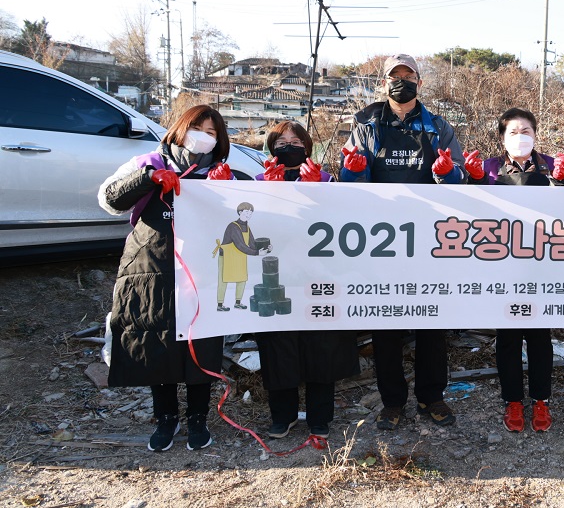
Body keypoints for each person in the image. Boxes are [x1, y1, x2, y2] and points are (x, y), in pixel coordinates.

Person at [339, 54, 467, 430]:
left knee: (432, 322)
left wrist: (446, 173)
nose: (401, 81)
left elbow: (460, 179)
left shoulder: (438, 126)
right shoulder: (366, 125)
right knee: (386, 326)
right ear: (384, 83)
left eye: (408, 75)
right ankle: (392, 402)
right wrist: (352, 172)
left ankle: (432, 396)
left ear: (419, 82)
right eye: (394, 76)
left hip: (429, 239)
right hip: (382, 242)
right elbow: (349, 186)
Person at [98, 104, 235, 452]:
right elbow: (109, 200)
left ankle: (198, 418)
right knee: (156, 342)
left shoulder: (221, 173)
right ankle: (166, 418)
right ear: (180, 129)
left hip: (201, 272)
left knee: (202, 344)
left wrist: (227, 192)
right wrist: (146, 179)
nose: (203, 137)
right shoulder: (148, 161)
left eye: (212, 132)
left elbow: (241, 222)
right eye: (197, 129)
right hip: (151, 268)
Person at [466, 108, 564, 432]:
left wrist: (563, 181)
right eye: (513, 132)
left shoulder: (552, 166)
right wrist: (474, 180)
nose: (520, 137)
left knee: (540, 336)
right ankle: (512, 401)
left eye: (526, 130)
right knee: (508, 337)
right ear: (502, 138)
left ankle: (541, 400)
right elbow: (470, 211)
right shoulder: (488, 168)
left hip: (541, 263)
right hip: (502, 264)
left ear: (536, 135)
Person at [254, 121, 359, 440]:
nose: (289, 146)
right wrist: (268, 195)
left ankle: (320, 417)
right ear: (271, 148)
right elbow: (250, 228)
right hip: (275, 275)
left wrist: (318, 194)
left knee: (322, 347)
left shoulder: (325, 179)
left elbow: (343, 224)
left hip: (318, 276)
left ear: (308, 147)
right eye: (281, 142)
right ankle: (282, 416)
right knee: (278, 347)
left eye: (296, 141)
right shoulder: (258, 182)